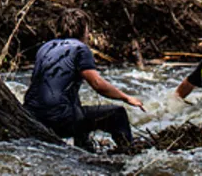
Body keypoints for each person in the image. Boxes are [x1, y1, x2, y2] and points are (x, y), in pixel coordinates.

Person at [23, 8, 144, 152]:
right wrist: (126, 98)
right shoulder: (80, 49)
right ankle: (128, 154)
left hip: (32, 116)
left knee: (76, 109)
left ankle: (85, 151)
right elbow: (97, 84)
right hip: (58, 120)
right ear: (83, 29)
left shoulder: (45, 47)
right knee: (117, 113)